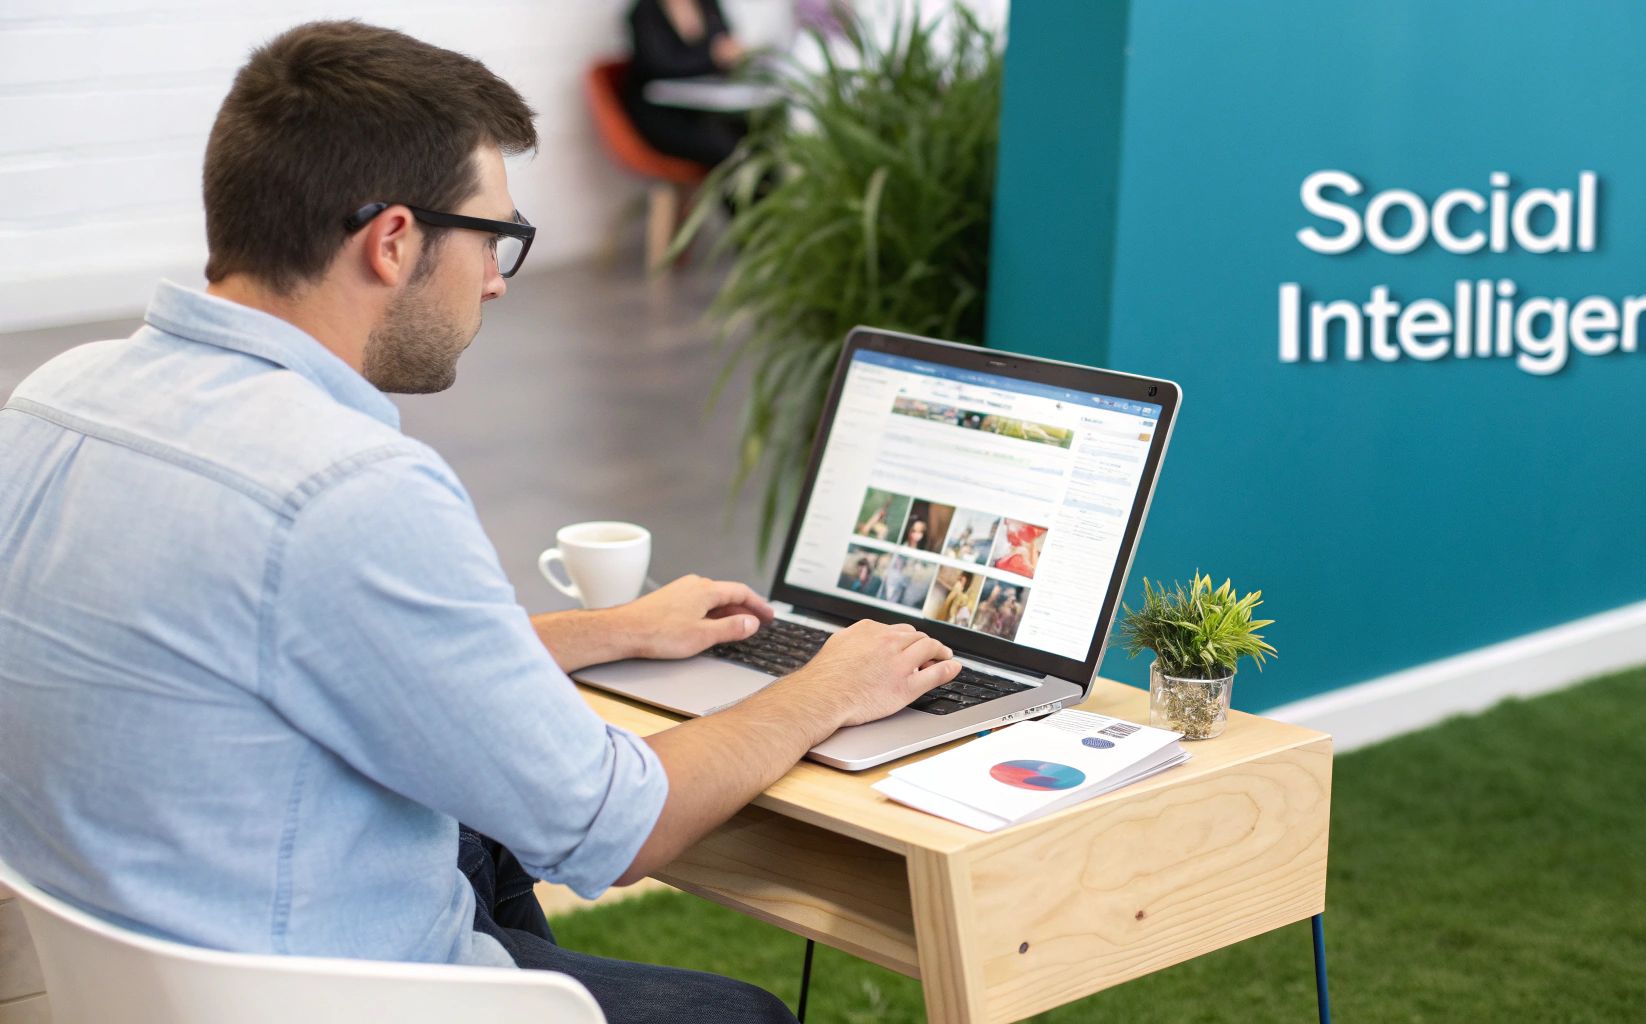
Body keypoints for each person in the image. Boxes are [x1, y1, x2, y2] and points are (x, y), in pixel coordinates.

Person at [0, 22, 961, 1024]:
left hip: (125, 966)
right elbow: (617, 827)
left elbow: (302, 644)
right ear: (393, 241)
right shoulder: (349, 489)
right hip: (310, 991)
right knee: (740, 1015)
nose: (501, 278)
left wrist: (613, 630)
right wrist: (827, 685)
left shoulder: (50, 399)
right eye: (495, 237)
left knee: (475, 838)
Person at [624, 0, 750, 167]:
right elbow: (659, 65)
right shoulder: (645, 11)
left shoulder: (708, 4)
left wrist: (731, 54)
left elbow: (725, 41)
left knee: (753, 134)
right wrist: (712, 57)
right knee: (722, 144)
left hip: (703, 106)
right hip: (665, 115)